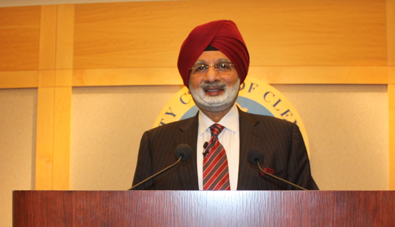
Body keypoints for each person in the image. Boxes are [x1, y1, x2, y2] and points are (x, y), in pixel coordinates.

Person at [132, 20, 318, 191]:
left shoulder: (284, 137)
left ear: (240, 76)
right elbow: (137, 213)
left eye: (223, 66)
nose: (212, 77)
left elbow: (311, 210)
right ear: (188, 83)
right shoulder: (155, 143)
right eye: (200, 68)